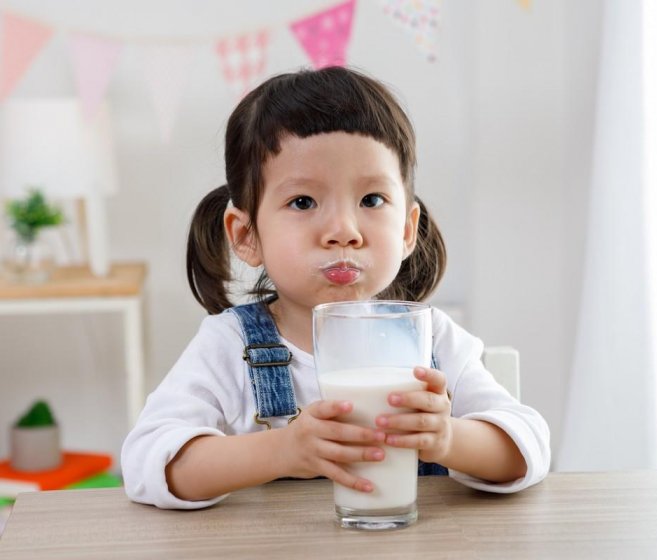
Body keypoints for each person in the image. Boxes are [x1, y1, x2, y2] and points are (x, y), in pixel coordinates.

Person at [121, 66, 550, 509]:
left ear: (407, 230)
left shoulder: (433, 340)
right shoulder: (228, 346)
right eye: (303, 202)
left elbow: (529, 448)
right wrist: (282, 450)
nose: (343, 231)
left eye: (371, 200)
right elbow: (147, 464)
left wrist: (448, 438)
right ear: (246, 235)